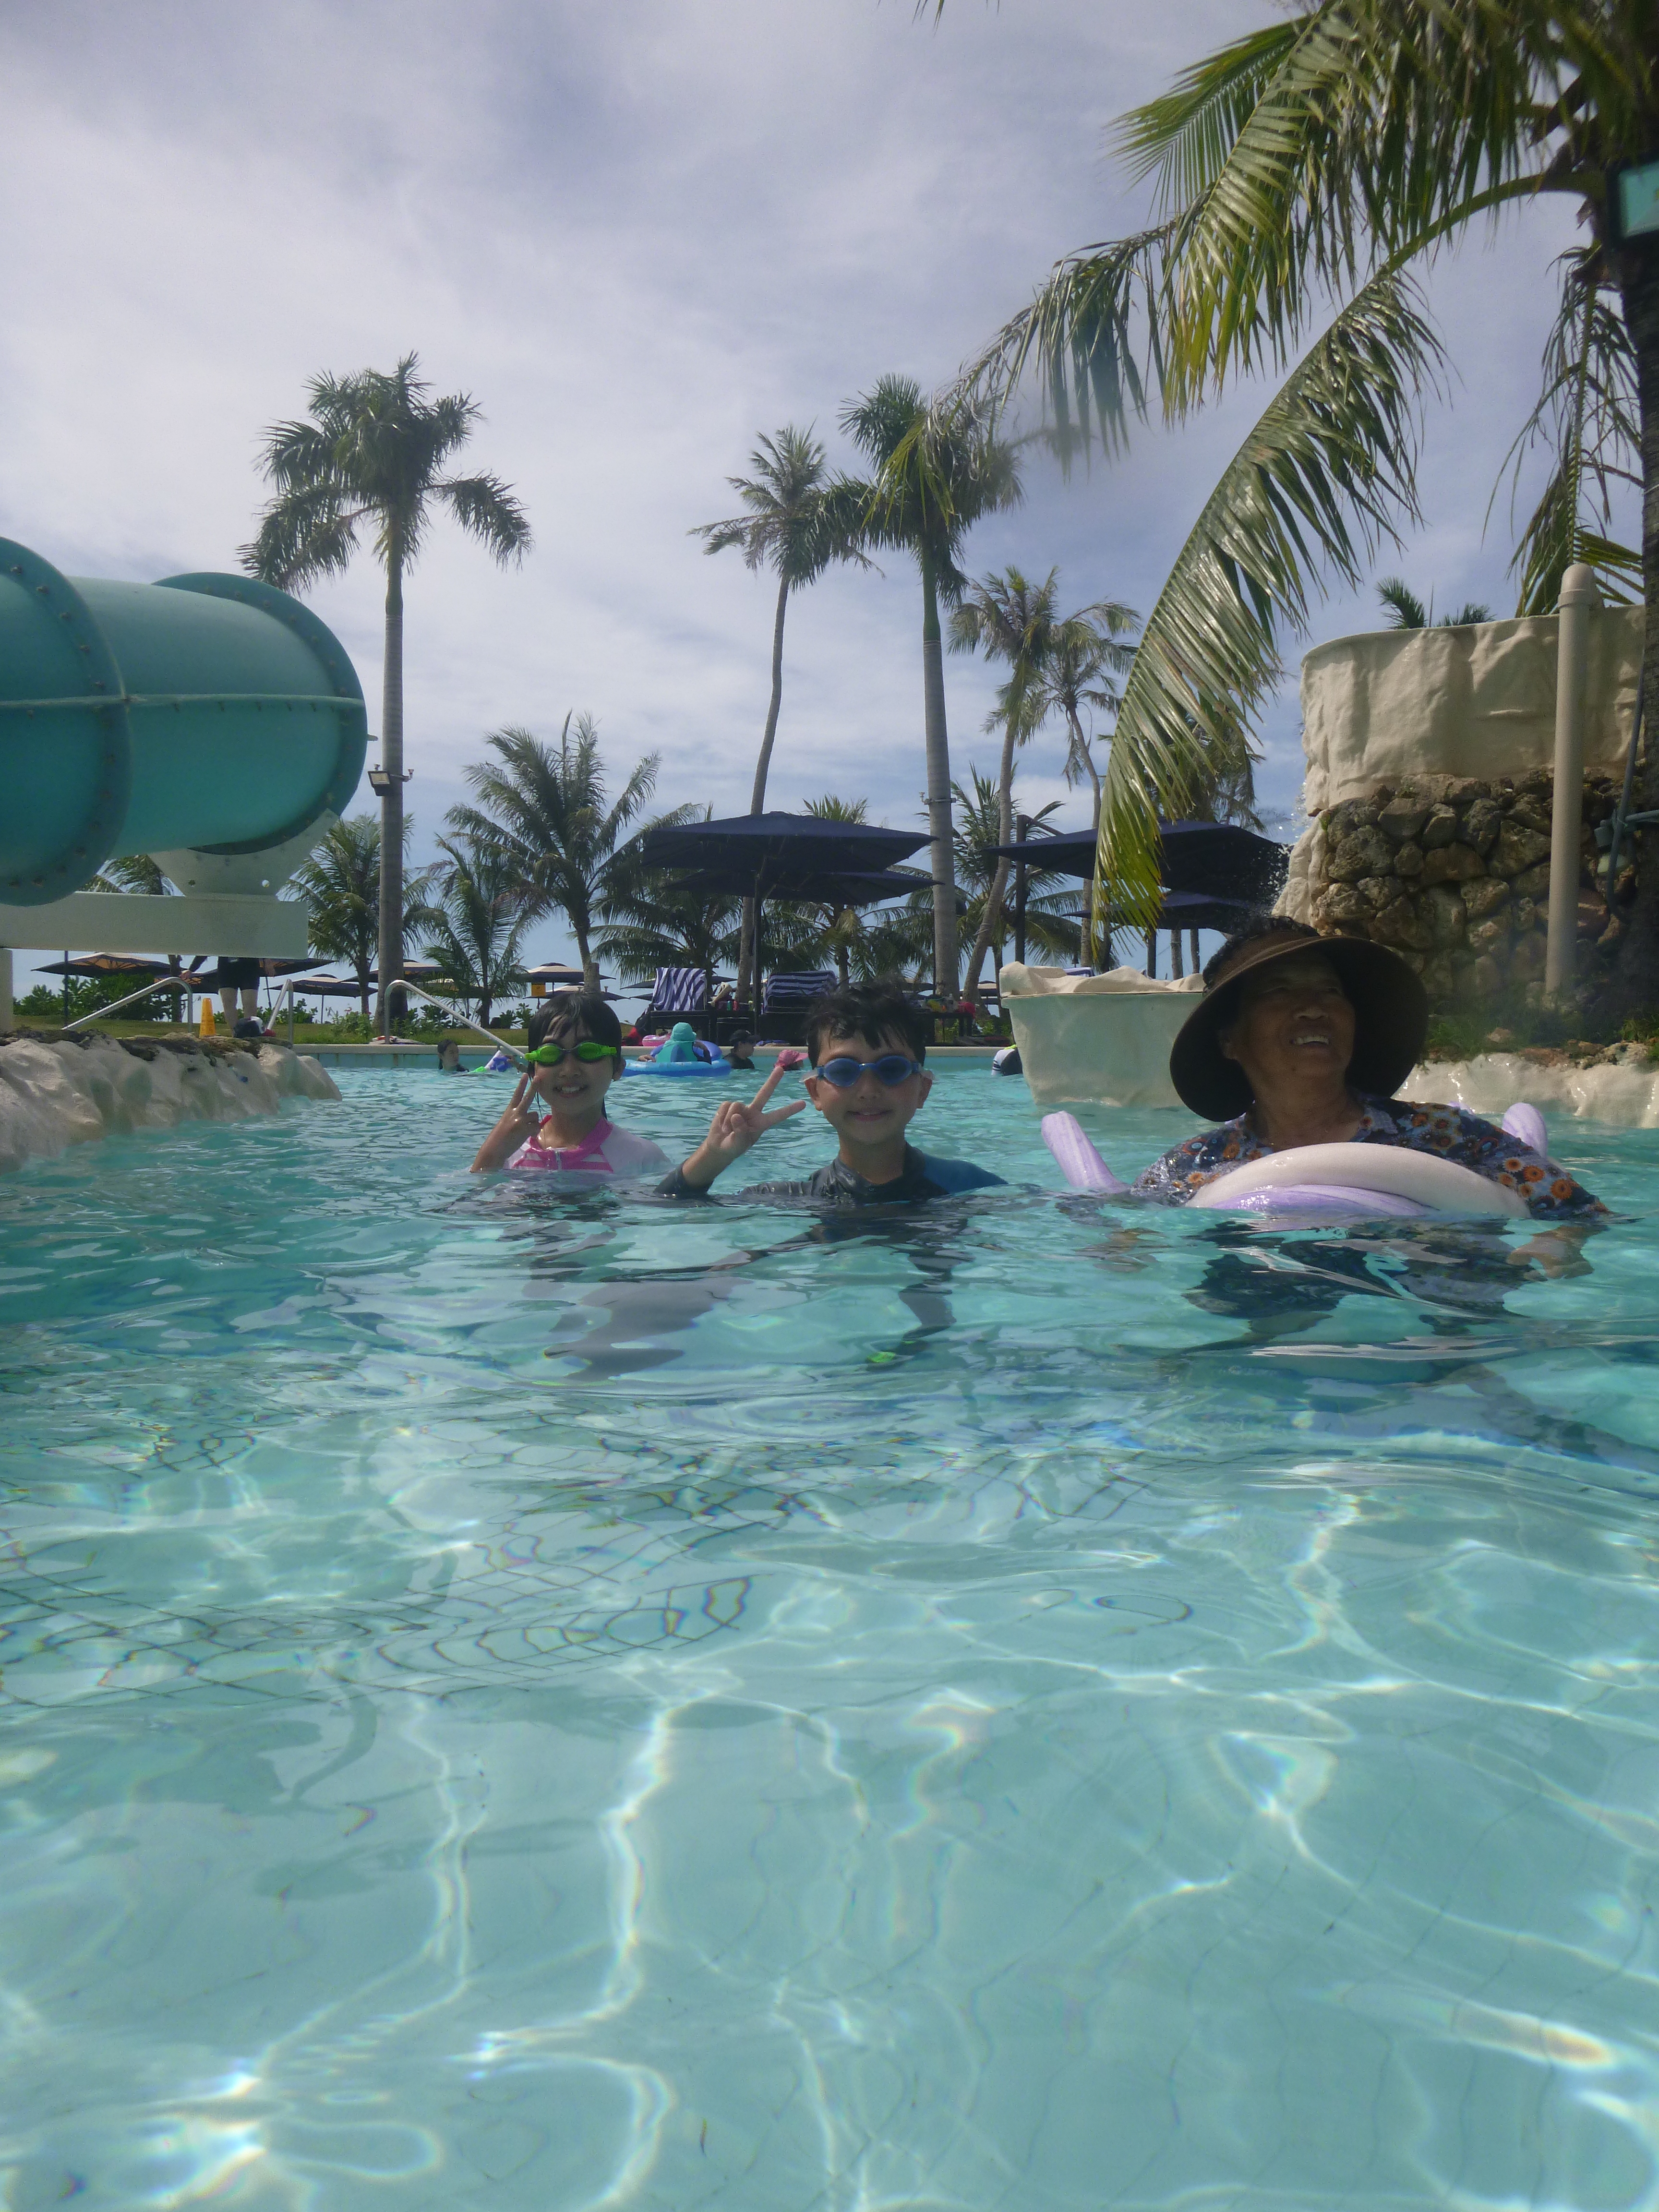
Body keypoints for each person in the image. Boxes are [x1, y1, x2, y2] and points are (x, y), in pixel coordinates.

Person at [1135, 916, 1602, 1220]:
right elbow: (1125, 1231)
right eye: (1280, 991)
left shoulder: (1446, 1136)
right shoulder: (1194, 1167)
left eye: (1331, 991)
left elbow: (1583, 1216)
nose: (1313, 1008)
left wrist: (1554, 1246)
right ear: (1229, 1040)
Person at [659, 981, 1005, 1205]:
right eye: (843, 1071)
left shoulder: (971, 1189)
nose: (868, 1090)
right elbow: (664, 1207)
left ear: (922, 1089)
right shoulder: (793, 1199)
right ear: (815, 1092)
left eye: (892, 1069)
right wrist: (713, 1157)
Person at [471, 991, 669, 1178]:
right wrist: (491, 1155)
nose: (569, 1070)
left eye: (588, 1051)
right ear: (532, 1071)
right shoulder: (507, 1153)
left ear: (617, 1068)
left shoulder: (642, 1159)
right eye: (551, 1053)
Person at [217, 957, 262, 1027]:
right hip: (226, 967)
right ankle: (235, 1032)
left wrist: (267, 961)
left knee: (250, 1003)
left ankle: (250, 1031)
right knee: (228, 1002)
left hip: (250, 965)